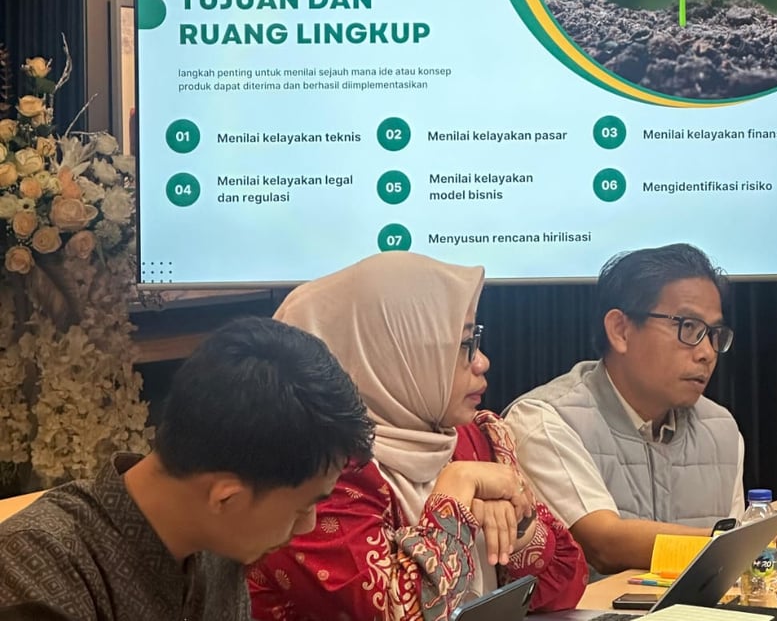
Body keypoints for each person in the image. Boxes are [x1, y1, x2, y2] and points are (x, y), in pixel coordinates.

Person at [248, 251, 588, 621]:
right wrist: (455, 492)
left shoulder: (469, 437)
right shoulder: (315, 470)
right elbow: (392, 613)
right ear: (390, 353)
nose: (482, 362)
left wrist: (518, 530)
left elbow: (564, 587)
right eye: (464, 345)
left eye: (475, 339)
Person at [504, 243, 777, 575]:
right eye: (688, 327)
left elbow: (729, 567)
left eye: (714, 334)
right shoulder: (546, 420)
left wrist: (750, 539)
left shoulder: (719, 427)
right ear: (621, 330)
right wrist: (749, 537)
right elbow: (604, 544)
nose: (707, 353)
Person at [0, 316, 375, 620]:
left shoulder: (217, 541)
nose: (308, 525)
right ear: (226, 498)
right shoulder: (34, 570)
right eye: (302, 507)